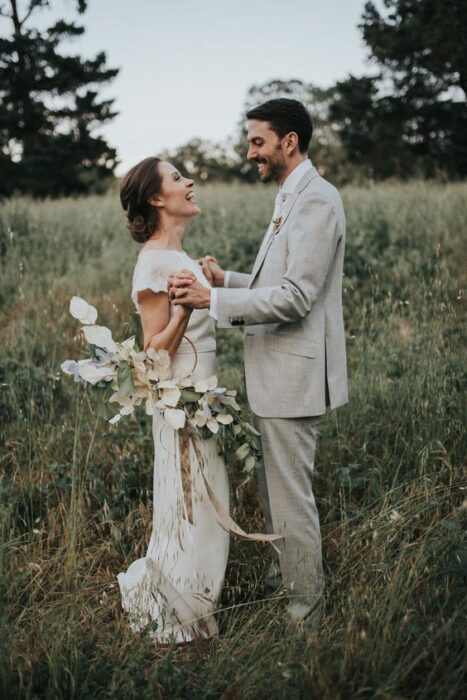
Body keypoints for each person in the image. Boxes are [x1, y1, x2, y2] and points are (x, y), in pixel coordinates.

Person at [168, 98, 348, 629]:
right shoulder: (291, 196)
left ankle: (305, 619)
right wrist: (228, 281)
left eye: (258, 142)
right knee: (276, 497)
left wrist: (211, 302)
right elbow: (276, 284)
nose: (250, 153)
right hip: (277, 374)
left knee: (291, 503)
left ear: (289, 141)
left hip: (294, 378)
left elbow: (296, 296)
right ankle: (288, 584)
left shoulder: (316, 200)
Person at [116, 157, 230, 644]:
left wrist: (209, 283)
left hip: (204, 403)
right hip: (182, 408)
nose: (190, 183)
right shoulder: (154, 263)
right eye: (178, 178)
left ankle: (195, 608)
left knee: (206, 511)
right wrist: (183, 312)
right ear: (158, 199)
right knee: (190, 512)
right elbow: (150, 355)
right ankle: (178, 619)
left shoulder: (180, 259)